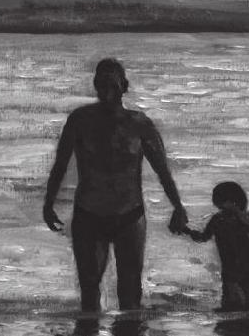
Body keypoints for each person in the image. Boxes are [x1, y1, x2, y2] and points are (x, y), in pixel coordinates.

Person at [43, 58, 188, 312]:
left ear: (124, 87)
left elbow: (162, 170)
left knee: (130, 296)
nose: (107, 92)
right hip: (89, 216)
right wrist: (48, 203)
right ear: (95, 86)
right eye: (102, 85)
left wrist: (177, 206)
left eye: (113, 86)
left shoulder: (140, 124)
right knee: (89, 295)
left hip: (130, 217)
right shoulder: (80, 120)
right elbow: (60, 164)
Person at [185, 182, 249, 311]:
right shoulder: (218, 219)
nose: (224, 206)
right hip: (230, 271)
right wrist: (187, 231)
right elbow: (203, 237)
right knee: (232, 306)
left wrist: (240, 216)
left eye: (228, 202)